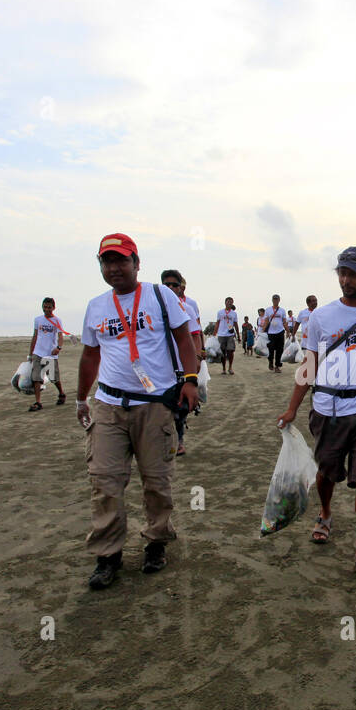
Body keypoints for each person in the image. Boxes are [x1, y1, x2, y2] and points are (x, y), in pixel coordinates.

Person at [75, 232, 200, 589]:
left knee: (156, 481)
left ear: (136, 263)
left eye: (121, 260)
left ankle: (156, 542)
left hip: (155, 405)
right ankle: (107, 555)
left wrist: (190, 379)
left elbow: (183, 337)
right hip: (110, 406)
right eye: (107, 262)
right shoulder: (96, 306)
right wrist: (82, 398)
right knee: (105, 482)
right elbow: (90, 355)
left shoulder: (160, 295)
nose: (114, 268)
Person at [276, 247, 356, 587]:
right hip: (327, 409)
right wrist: (292, 407)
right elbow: (309, 365)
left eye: (354, 273)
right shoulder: (321, 317)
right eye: (342, 273)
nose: (346, 279)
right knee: (327, 473)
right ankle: (326, 513)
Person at [160, 270, 201, 456]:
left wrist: (197, 359)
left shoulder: (188, 309)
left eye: (174, 285)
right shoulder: (154, 308)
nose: (170, 288)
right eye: (166, 284)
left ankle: (180, 439)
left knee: (179, 406)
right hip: (160, 366)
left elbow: (195, 336)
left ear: (181, 288)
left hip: (181, 366)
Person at [26, 297, 67, 411]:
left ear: (53, 308)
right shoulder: (38, 320)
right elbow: (35, 336)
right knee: (36, 377)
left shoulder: (57, 321)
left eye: (49, 307)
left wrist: (58, 348)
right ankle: (38, 402)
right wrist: (30, 353)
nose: (47, 309)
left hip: (50, 353)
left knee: (53, 377)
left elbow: (60, 336)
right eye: (45, 307)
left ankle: (61, 394)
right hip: (38, 352)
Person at [259, 295, 287, 371]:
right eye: (274, 299)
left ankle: (277, 366)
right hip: (271, 333)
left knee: (279, 350)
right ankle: (270, 362)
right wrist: (262, 332)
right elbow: (266, 321)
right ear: (272, 300)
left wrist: (288, 331)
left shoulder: (282, 310)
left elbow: (284, 322)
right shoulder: (268, 310)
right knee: (270, 349)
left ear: (279, 300)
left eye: (277, 299)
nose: (275, 301)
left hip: (280, 332)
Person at [216, 297, 240, 374]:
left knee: (230, 351)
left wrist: (238, 335)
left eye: (231, 302)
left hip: (230, 334)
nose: (229, 303)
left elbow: (236, 324)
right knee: (222, 352)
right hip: (221, 334)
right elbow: (217, 323)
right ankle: (223, 369)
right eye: (228, 302)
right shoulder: (220, 312)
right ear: (225, 302)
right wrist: (214, 334)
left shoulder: (234, 313)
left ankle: (230, 367)